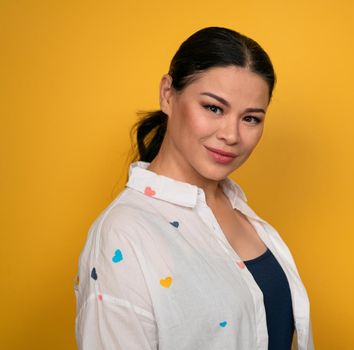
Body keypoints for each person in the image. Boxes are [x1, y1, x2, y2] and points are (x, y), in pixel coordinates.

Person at [74, 26, 313, 350]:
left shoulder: (239, 211)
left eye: (251, 118)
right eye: (214, 108)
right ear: (168, 95)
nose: (231, 134)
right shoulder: (124, 234)